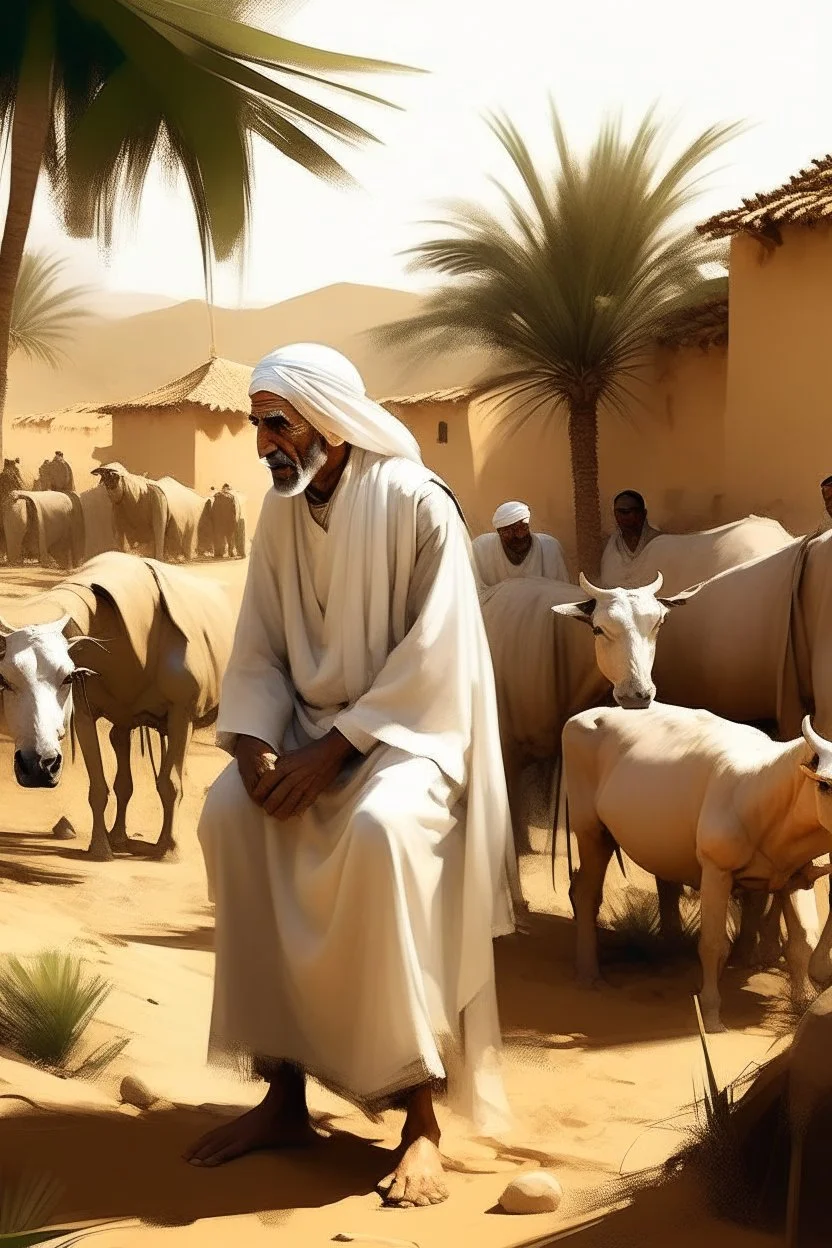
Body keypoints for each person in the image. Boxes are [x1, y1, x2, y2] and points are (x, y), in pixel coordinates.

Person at [184, 343, 516, 1207]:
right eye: (258, 425)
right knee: (230, 813)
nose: (262, 443)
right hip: (302, 733)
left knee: (378, 833)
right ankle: (285, 1094)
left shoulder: (418, 504)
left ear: (326, 421)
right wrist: (256, 743)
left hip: (410, 738)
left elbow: (438, 655)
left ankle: (421, 1118)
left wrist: (338, 750)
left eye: (275, 423)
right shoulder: (280, 512)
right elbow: (256, 642)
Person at [472, 501, 570, 587]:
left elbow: (562, 591)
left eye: (523, 528)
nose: (520, 536)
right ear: (499, 533)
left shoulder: (549, 546)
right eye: (511, 531)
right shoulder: (481, 549)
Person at [603, 489, 661, 567]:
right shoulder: (610, 544)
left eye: (632, 510)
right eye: (621, 511)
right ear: (614, 513)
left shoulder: (658, 540)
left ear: (643, 513)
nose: (626, 516)